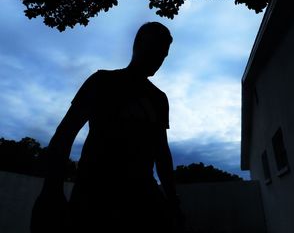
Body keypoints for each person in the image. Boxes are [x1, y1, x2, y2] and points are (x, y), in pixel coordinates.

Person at [31, 22, 182, 233]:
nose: (160, 59)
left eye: (164, 55)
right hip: (94, 194)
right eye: (157, 50)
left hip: (141, 199)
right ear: (139, 44)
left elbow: (161, 152)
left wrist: (172, 200)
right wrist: (51, 189)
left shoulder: (159, 99)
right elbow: (65, 133)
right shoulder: (102, 81)